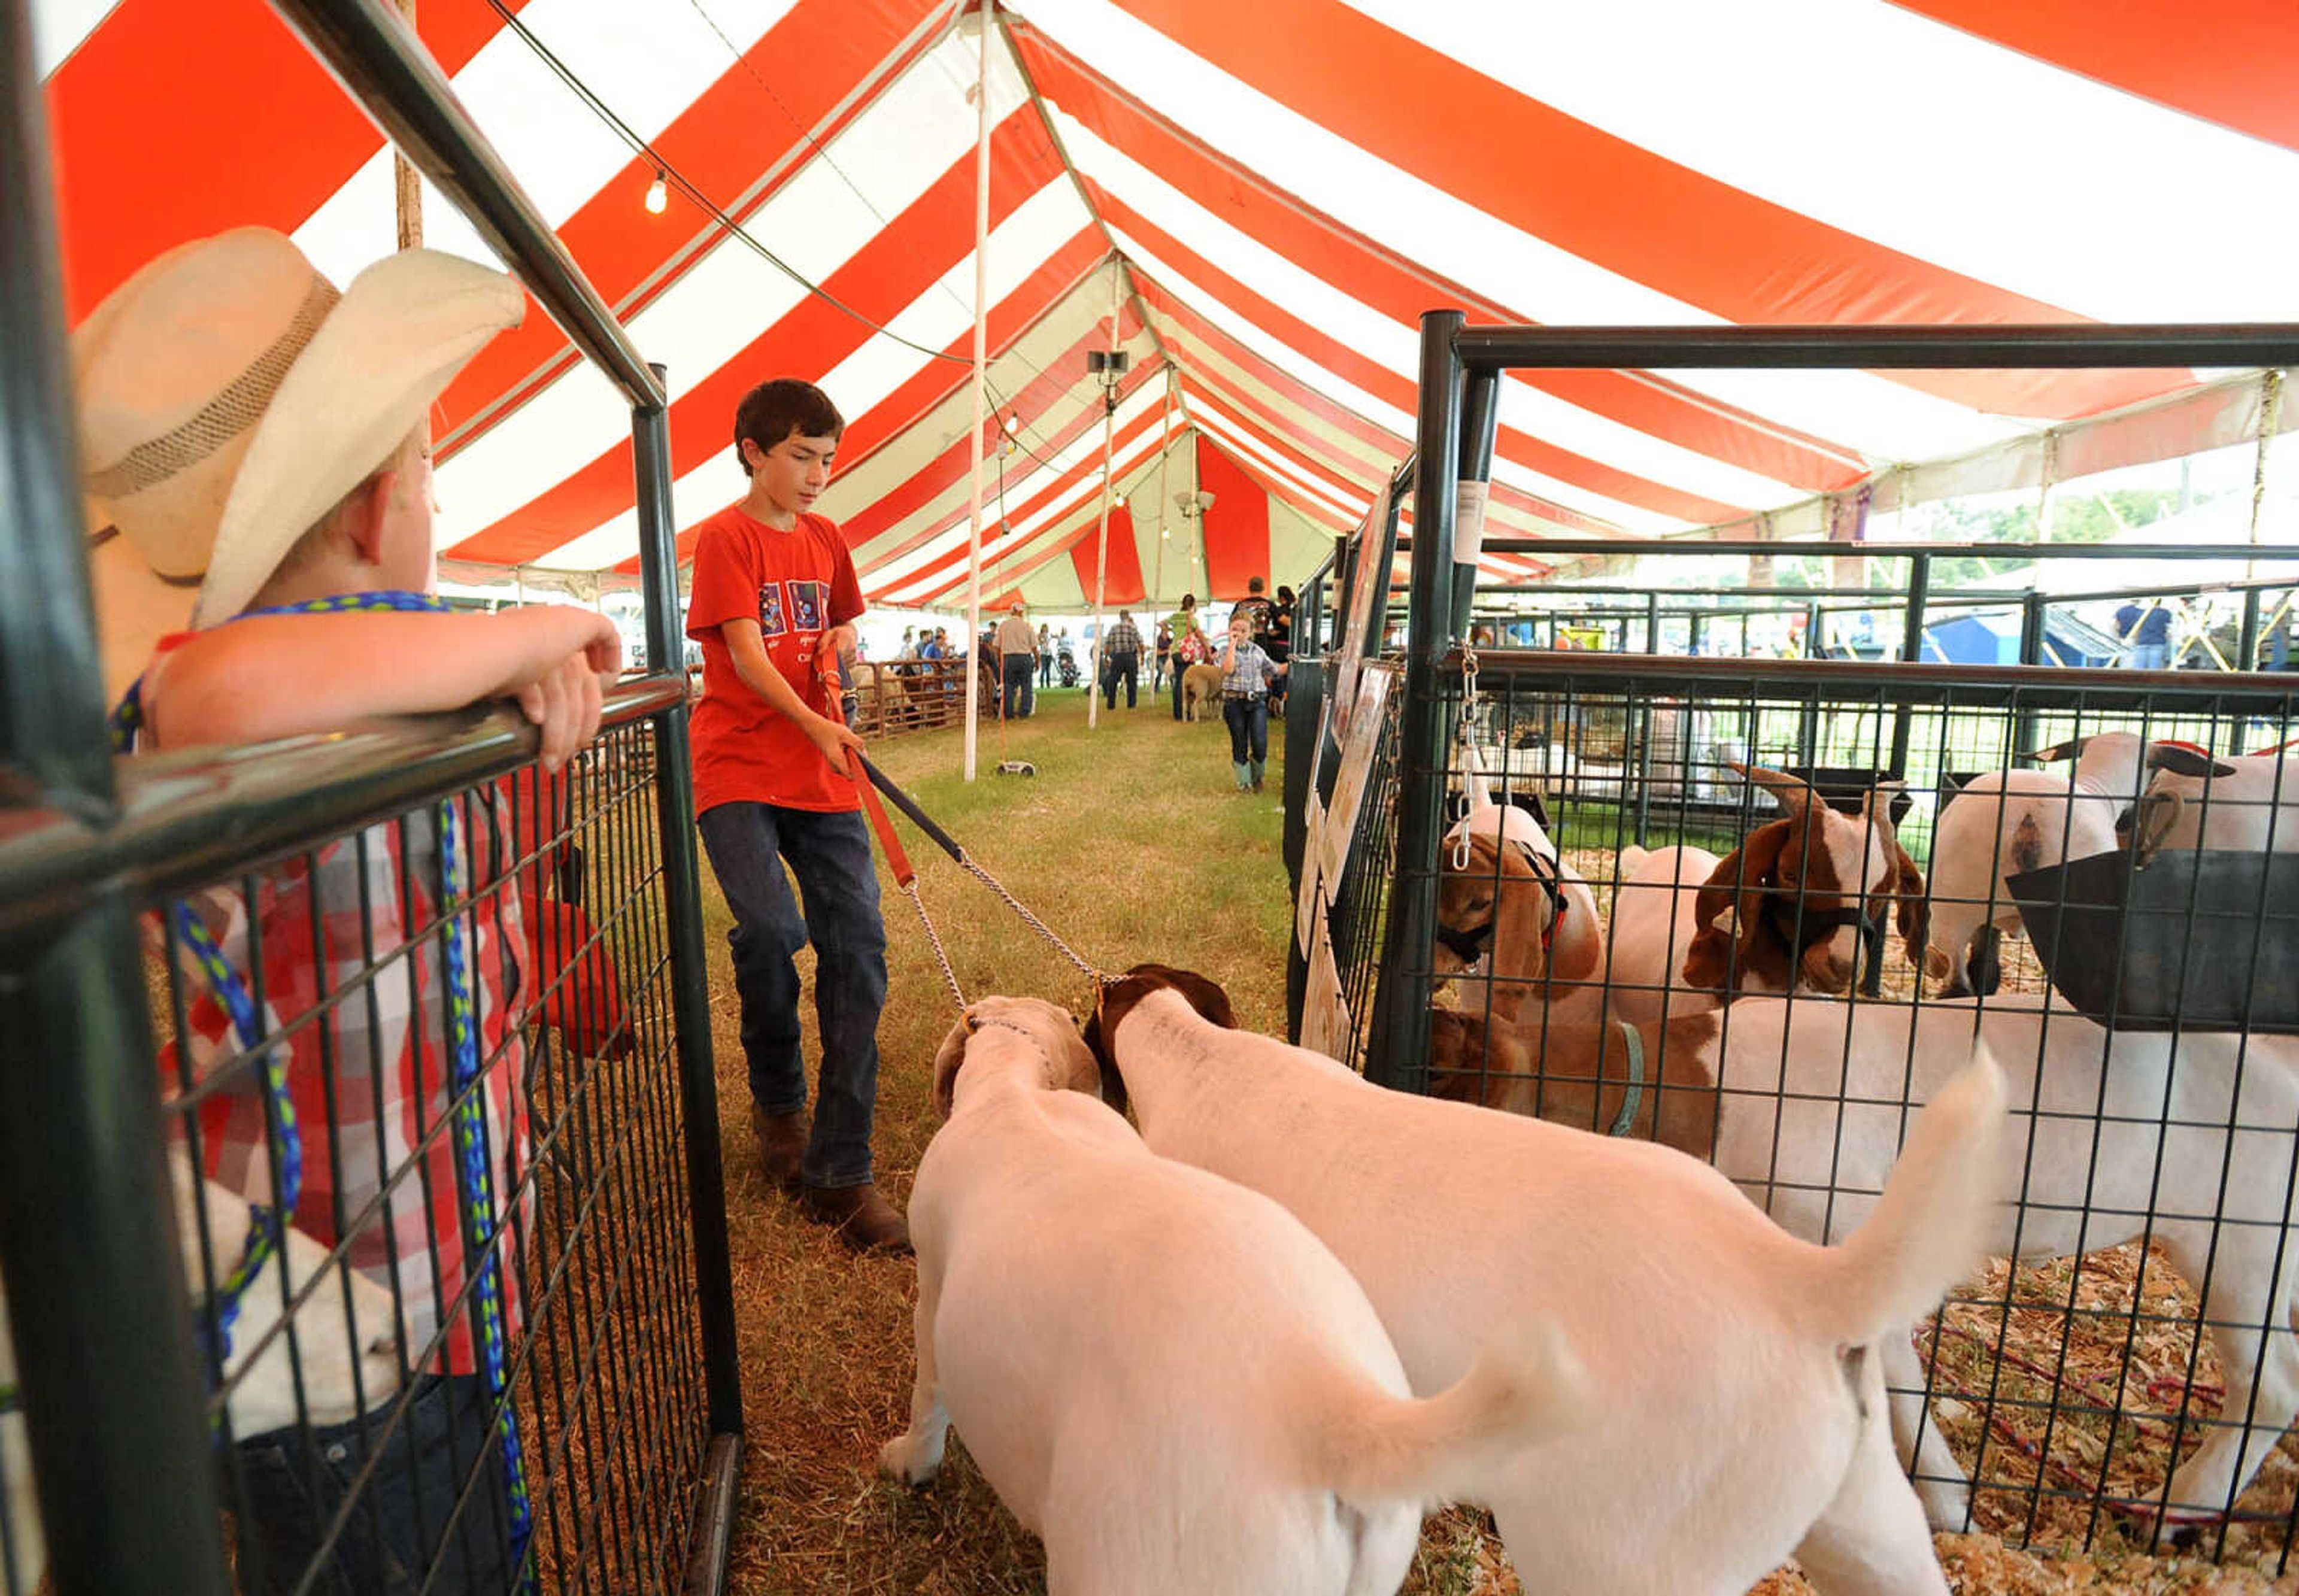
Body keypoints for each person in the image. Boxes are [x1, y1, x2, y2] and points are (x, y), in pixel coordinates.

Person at [81, 228, 620, 1594]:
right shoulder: (206, 698)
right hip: (318, 1325)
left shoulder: (396, 687)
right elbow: (219, 689)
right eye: (431, 471)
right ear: (383, 508)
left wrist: (507, 663)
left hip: (420, 1293)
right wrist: (524, 635)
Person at [685, 378, 906, 1254]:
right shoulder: (725, 537)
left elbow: (846, 622)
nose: (818, 476)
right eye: (802, 457)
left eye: (828, 460)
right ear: (754, 452)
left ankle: (839, 1167)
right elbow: (743, 652)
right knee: (772, 931)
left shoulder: (825, 538)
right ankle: (780, 1103)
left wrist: (837, 644)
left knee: (860, 945)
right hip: (738, 763)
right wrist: (817, 720)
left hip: (818, 773)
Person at [1216, 609, 1279, 792]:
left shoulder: (1258, 651)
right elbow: (1228, 669)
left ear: (1251, 632)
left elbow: (1273, 669)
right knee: (1240, 742)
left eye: (1243, 631)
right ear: (1229, 630)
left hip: (1257, 701)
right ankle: (1244, 782)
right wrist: (1231, 646)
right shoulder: (1224, 651)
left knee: (1260, 743)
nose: (1239, 633)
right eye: (1235, 629)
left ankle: (1258, 776)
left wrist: (1291, 666)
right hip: (1234, 702)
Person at [1166, 593, 1205, 721]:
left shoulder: (1175, 616)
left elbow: (1161, 624)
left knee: (1178, 682)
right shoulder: (1191, 618)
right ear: (1193, 605)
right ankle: (1186, 713)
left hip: (1176, 651)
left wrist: (1174, 633)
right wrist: (1207, 648)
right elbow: (1198, 633)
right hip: (1187, 653)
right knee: (1187, 684)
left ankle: (1177, 713)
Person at [996, 600, 1038, 718]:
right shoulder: (1027, 626)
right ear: (1021, 612)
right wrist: (1038, 661)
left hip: (1008, 658)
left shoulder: (1004, 625)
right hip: (1025, 658)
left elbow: (996, 645)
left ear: (1012, 611)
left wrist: (999, 660)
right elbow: (1034, 647)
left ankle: (1008, 713)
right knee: (1026, 686)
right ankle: (1024, 712)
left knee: (1008, 686)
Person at [1101, 609, 1143, 708]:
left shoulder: (1114, 628)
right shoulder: (1133, 627)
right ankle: (1131, 704)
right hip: (1130, 657)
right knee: (1132, 682)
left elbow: (1108, 644)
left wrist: (1106, 657)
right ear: (1128, 617)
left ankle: (1111, 704)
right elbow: (1140, 643)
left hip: (1117, 657)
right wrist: (1143, 657)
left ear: (1120, 617)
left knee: (1113, 681)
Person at [2115, 599, 2173, 670]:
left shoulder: (2140, 613)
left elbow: (2136, 629)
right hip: (2158, 642)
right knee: (2155, 669)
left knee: (2139, 669)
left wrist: (2136, 640)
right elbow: (2168, 630)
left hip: (2141, 642)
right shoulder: (2166, 613)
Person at [1231, 575, 1275, 643]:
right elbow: (1282, 620)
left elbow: (1232, 622)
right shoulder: (1269, 604)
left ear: (1249, 588)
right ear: (1263, 588)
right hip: (1262, 642)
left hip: (1244, 640)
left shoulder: (1240, 605)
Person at [1153, 620, 1172, 694]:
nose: (1167, 632)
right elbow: (1158, 653)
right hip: (1159, 659)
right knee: (1160, 671)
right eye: (1166, 630)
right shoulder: (1159, 639)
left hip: (1167, 659)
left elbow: (1172, 647)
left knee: (1171, 672)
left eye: (1167, 630)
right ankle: (1156, 688)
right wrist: (1167, 651)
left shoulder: (1169, 639)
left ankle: (1173, 687)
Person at [1036, 621, 1054, 688]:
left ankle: (1048, 684)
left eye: (1046, 628)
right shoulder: (1040, 635)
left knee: (1048, 670)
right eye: (1044, 628)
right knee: (1043, 669)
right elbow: (1039, 642)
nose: (1045, 629)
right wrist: (1041, 640)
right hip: (1043, 654)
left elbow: (1055, 636)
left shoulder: (1049, 634)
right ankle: (1042, 684)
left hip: (1049, 653)